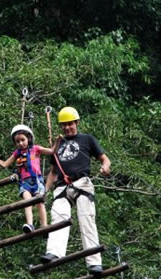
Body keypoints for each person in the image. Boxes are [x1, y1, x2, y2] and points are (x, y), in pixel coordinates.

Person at [40, 107, 111, 275]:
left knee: (87, 220)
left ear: (76, 123)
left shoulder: (87, 139)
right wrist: (43, 191)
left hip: (82, 184)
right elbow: (53, 171)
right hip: (62, 187)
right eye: (63, 125)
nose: (66, 128)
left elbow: (104, 159)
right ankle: (54, 252)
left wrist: (105, 167)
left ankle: (94, 263)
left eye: (69, 124)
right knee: (58, 218)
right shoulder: (57, 144)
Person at [0, 124, 61, 233]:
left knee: (39, 202)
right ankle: (30, 224)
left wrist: (57, 141)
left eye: (23, 140)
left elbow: (52, 151)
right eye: (18, 141)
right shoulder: (17, 153)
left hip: (36, 180)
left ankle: (44, 226)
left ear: (29, 139)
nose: (21, 143)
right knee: (27, 201)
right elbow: (4, 164)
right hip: (25, 182)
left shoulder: (36, 149)